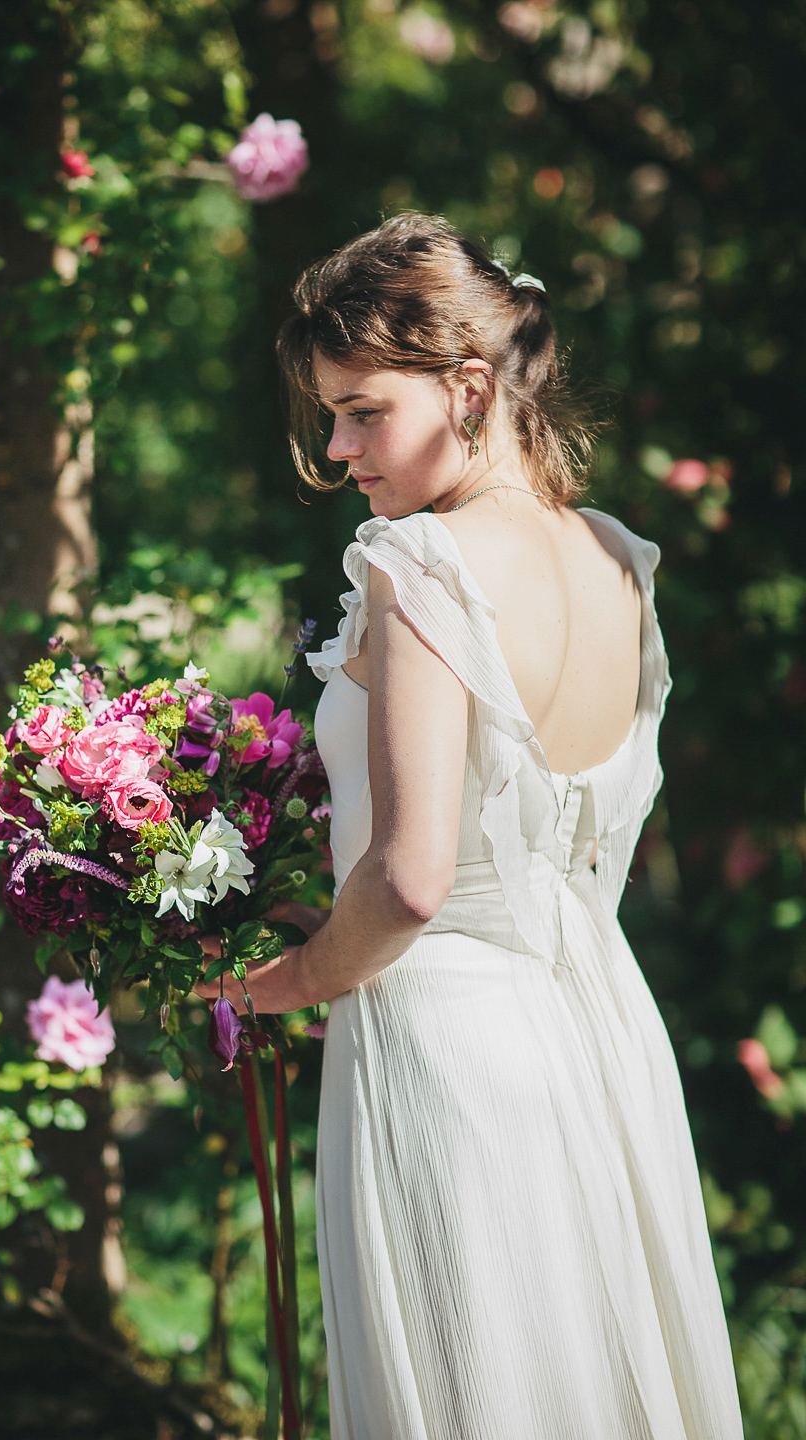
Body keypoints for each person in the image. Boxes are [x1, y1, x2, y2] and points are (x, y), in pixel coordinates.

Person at [197, 212, 744, 1439]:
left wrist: (287, 980)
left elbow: (410, 883)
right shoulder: (613, 561)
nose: (338, 450)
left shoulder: (422, 562)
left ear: (471, 388)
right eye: (328, 415)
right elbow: (532, 838)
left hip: (442, 1044)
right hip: (596, 1026)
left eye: (362, 411)